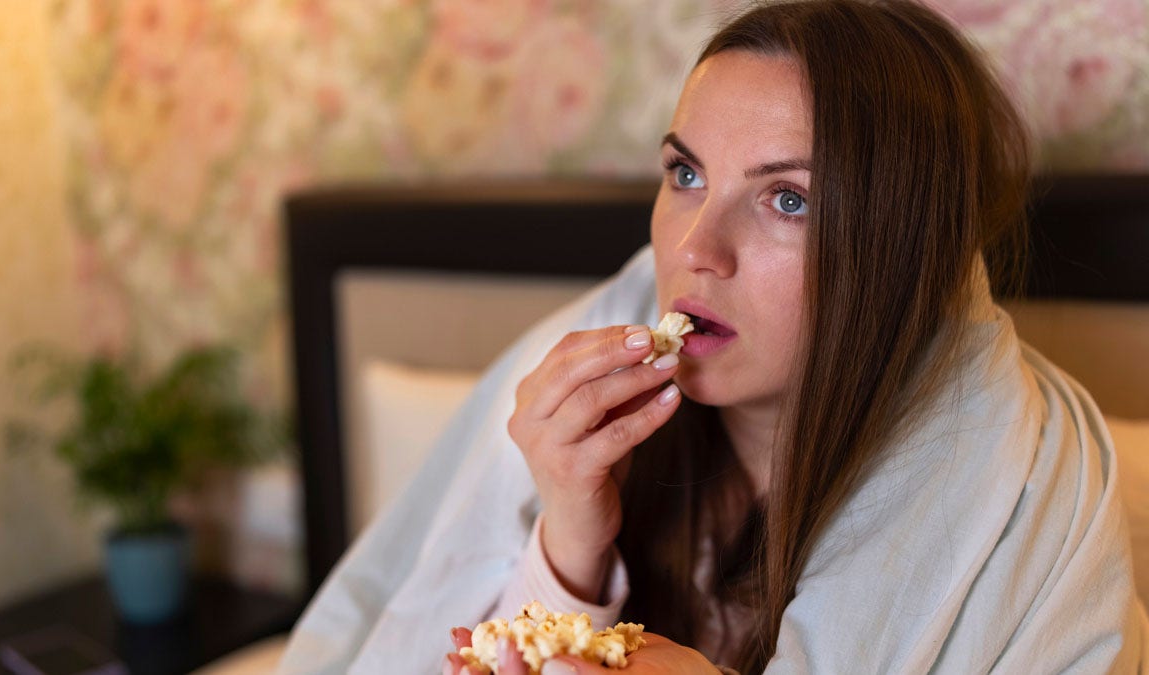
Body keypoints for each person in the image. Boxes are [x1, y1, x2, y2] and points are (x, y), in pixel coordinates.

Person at [279, 1, 1148, 673]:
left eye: (788, 199)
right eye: (685, 173)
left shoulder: (1023, 491)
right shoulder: (602, 381)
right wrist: (569, 544)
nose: (695, 250)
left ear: (901, 253)